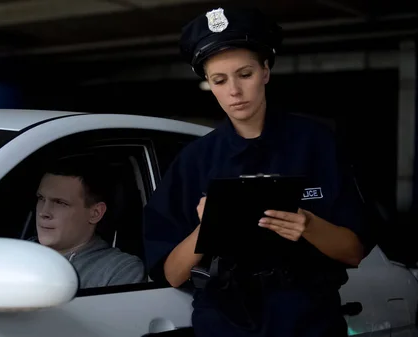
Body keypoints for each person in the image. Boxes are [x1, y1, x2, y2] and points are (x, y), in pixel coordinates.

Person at [142, 6, 375, 337]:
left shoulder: (317, 144)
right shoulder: (193, 161)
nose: (234, 91)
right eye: (219, 80)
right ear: (208, 83)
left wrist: (308, 225)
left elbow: (353, 252)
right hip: (225, 324)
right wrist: (207, 230)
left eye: (245, 74)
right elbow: (171, 274)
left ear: (266, 70)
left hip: (308, 320)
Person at [31, 155, 146, 289]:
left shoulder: (118, 270)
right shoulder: (18, 253)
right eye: (41, 198)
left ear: (95, 213)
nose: (43, 212)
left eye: (60, 203)